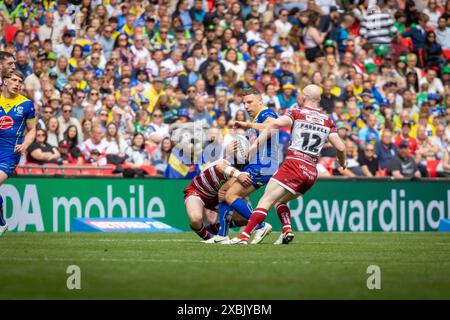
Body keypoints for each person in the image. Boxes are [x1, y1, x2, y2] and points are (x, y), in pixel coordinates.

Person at [227, 84, 346, 245]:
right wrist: (342, 161)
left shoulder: (297, 112)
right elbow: (340, 147)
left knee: (265, 201)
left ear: (304, 97)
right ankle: (287, 230)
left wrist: (254, 146)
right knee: (280, 202)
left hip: (294, 164)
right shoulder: (328, 121)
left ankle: (243, 237)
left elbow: (275, 124)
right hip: (311, 172)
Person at [218, 87, 279, 245]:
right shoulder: (256, 118)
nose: (246, 106)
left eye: (250, 102)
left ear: (260, 101)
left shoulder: (267, 113)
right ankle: (222, 235)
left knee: (231, 195)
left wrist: (247, 125)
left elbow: (273, 126)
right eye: (244, 102)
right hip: (255, 165)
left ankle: (261, 226)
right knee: (224, 191)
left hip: (263, 166)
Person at [0, 70, 36, 236]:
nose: (17, 84)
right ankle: (2, 223)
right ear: (5, 81)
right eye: (13, 80)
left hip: (10, 152)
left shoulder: (26, 104)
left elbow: (32, 130)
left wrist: (25, 144)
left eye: (20, 81)